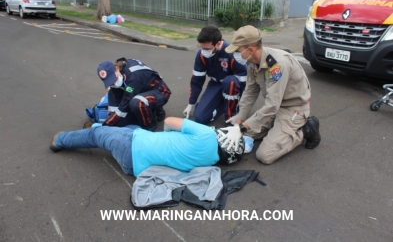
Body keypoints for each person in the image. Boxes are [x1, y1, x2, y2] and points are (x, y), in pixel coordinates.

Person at [219, 25, 321, 165]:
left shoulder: (278, 65)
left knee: (265, 155)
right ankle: (276, 129)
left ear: (251, 49)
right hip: (274, 108)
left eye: (238, 50)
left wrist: (242, 127)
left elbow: (272, 105)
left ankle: (307, 129)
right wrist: (239, 121)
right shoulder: (253, 63)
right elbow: (250, 93)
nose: (235, 54)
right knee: (242, 135)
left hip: (293, 109)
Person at [49, 117, 245, 176]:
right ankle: (104, 128)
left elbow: (168, 121)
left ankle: (59, 141)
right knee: (133, 127)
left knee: (95, 134)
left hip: (132, 146)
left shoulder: (205, 133)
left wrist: (169, 135)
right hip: (135, 167)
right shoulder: (212, 162)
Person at [183, 26, 247, 125]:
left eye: (207, 49)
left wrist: (243, 111)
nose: (204, 51)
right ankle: (223, 104)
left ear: (218, 43)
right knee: (200, 118)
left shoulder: (232, 53)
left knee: (230, 82)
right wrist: (191, 103)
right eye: (201, 47)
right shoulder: (201, 54)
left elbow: (244, 82)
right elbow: (196, 80)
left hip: (233, 86)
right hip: (216, 84)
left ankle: (230, 116)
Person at [97, 58, 171, 131]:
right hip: (143, 87)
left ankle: (150, 126)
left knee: (137, 103)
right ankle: (152, 109)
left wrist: (106, 125)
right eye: (110, 82)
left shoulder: (132, 77)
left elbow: (124, 105)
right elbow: (114, 99)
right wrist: (112, 115)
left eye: (114, 79)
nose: (114, 83)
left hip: (160, 91)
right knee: (115, 90)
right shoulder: (121, 69)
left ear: (116, 69)